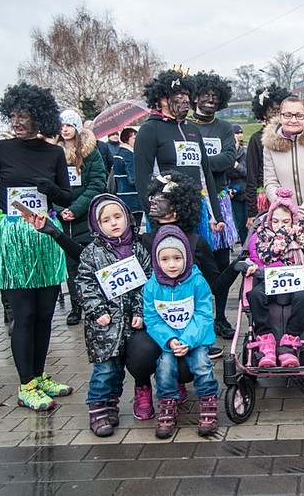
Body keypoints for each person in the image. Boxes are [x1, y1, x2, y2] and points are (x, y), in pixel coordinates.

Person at [0, 82, 74, 411]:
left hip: (44, 236)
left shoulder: (54, 152)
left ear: (39, 117)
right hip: (13, 239)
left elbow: (66, 196)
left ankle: (40, 375)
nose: (16, 121)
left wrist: (52, 190)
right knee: (25, 314)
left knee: (45, 313)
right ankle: (26, 384)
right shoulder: (1, 150)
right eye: (13, 115)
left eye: (24, 116)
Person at [75, 195, 152, 437]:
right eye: (106, 220)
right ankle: (97, 407)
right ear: (97, 225)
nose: (114, 223)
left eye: (118, 217)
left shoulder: (138, 249)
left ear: (128, 218)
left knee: (118, 369)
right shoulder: (92, 253)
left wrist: (140, 310)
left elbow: (146, 283)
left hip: (130, 322)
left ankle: (112, 405)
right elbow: (84, 284)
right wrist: (97, 310)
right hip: (104, 326)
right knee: (104, 368)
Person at [143, 225, 220, 439]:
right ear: (157, 260)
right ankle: (167, 404)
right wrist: (169, 339)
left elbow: (204, 314)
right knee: (164, 366)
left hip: (195, 338)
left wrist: (187, 339)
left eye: (177, 258)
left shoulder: (197, 281)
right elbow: (151, 318)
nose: (172, 264)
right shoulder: (151, 286)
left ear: (186, 256)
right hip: (169, 340)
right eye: (165, 259)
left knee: (202, 364)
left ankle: (208, 402)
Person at [133, 70, 224, 241]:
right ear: (162, 99)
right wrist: (155, 213)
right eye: (179, 94)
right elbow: (143, 179)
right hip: (165, 214)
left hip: (196, 210)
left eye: (187, 94)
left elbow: (205, 174)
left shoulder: (193, 130)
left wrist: (215, 215)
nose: (185, 99)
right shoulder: (150, 130)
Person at [187, 72, 239, 341]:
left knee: (221, 264)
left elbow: (229, 158)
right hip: (192, 202)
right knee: (194, 263)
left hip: (218, 201)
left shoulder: (224, 128)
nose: (210, 100)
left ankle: (219, 317)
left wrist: (199, 162)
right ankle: (198, 317)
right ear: (195, 97)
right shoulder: (184, 126)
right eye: (205, 95)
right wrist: (209, 162)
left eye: (215, 97)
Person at [243, 189, 304, 368]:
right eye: (276, 221)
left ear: (294, 220)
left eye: (285, 221)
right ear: (270, 220)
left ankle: (290, 340)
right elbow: (266, 256)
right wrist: (284, 236)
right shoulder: (263, 235)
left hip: (296, 280)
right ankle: (265, 339)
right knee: (254, 295)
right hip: (271, 281)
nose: (280, 225)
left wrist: (298, 236)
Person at [49, 110, 107, 326]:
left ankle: (98, 302)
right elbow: (49, 184)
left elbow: (97, 182)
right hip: (62, 217)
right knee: (71, 266)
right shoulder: (53, 153)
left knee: (91, 261)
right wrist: (60, 208)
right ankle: (76, 305)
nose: (64, 129)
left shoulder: (91, 152)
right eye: (61, 125)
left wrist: (77, 208)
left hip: (85, 217)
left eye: (69, 125)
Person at [262, 96, 304, 220]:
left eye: (299, 115)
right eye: (288, 115)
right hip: (284, 217)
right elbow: (270, 183)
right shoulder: (270, 146)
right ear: (280, 116)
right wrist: (287, 209)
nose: (293, 120)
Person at [246, 84, 290, 228]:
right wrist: (252, 212)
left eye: (280, 112)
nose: (276, 116)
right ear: (264, 113)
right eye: (273, 111)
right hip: (264, 198)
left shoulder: (291, 137)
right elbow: (251, 177)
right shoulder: (256, 139)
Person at [112, 127, 142, 227]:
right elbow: (133, 179)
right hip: (132, 197)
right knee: (134, 227)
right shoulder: (128, 154)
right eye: (134, 138)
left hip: (122, 195)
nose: (137, 141)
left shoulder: (118, 153)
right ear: (126, 140)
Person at [227, 123, 248, 244]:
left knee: (248, 222)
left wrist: (236, 166)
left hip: (246, 191)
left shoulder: (244, 154)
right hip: (233, 193)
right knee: (239, 223)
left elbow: (247, 173)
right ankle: (244, 249)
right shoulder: (226, 156)